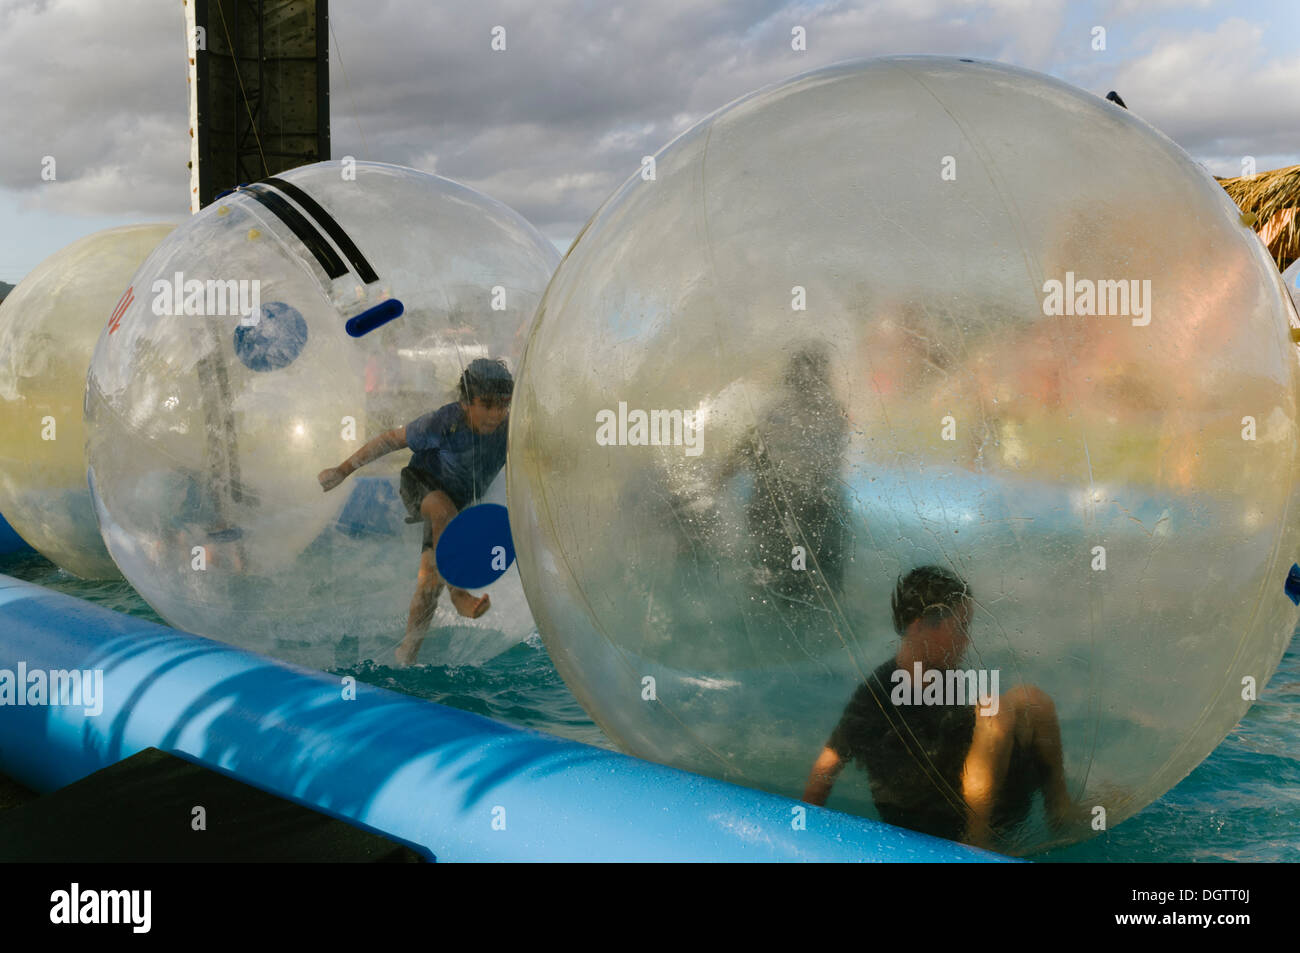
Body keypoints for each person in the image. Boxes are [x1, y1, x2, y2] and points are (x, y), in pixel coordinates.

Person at [802, 566, 1074, 850]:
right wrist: (802, 837)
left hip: (963, 803)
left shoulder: (948, 677)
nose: (967, 640)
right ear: (920, 627)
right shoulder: (877, 695)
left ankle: (1060, 811)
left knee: (1031, 700)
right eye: (960, 628)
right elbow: (827, 764)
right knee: (998, 711)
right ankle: (977, 847)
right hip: (932, 825)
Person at [317, 358, 513, 667]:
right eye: (486, 405)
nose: (495, 414)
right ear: (465, 403)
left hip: (457, 502)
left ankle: (407, 651)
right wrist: (342, 471)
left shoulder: (508, 429)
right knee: (441, 510)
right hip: (421, 484)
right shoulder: (444, 423)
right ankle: (459, 593)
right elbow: (390, 440)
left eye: (503, 405)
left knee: (430, 579)